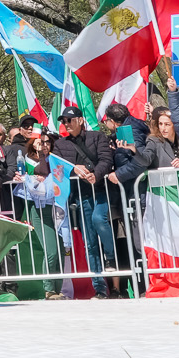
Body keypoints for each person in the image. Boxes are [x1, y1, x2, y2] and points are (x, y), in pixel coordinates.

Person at [50, 107, 119, 298]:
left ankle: (111, 259)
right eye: (63, 121)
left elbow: (107, 159)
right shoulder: (60, 144)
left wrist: (94, 175)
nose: (66, 124)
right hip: (81, 195)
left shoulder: (97, 137)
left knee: (99, 220)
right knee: (90, 242)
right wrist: (74, 171)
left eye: (70, 120)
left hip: (101, 190)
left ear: (80, 120)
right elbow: (58, 168)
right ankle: (99, 288)